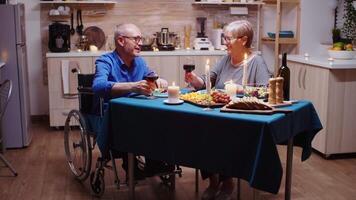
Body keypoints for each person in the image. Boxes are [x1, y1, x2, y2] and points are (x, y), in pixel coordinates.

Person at [185, 20, 272, 200]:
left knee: (221, 134)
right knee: (201, 130)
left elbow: (266, 91)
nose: (225, 42)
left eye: (228, 38)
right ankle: (214, 181)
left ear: (243, 40)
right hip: (219, 114)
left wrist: (241, 89)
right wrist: (195, 81)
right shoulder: (225, 59)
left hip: (243, 118)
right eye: (224, 38)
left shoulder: (257, 62)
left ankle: (227, 182)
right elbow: (209, 79)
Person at [92, 23, 170, 179]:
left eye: (140, 39)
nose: (140, 43)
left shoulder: (139, 61)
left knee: (162, 119)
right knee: (141, 123)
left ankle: (155, 162)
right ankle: (133, 165)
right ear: (121, 41)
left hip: (138, 113)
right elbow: (98, 86)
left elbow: (151, 75)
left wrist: (159, 80)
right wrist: (132, 87)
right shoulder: (105, 61)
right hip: (114, 116)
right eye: (136, 39)